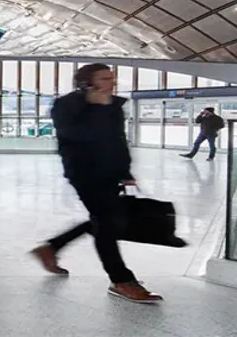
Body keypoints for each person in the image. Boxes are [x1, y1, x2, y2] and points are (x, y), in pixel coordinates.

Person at [30, 64, 163, 303]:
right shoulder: (67, 105)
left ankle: (52, 247)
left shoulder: (113, 105)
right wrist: (97, 108)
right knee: (105, 224)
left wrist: (125, 170)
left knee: (104, 220)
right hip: (85, 173)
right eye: (104, 78)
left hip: (111, 172)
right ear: (86, 82)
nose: (112, 82)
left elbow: (117, 140)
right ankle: (121, 279)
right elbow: (76, 135)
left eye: (112, 78)